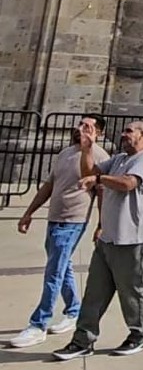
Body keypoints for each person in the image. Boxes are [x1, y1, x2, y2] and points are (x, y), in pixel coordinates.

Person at [52, 121, 143, 361]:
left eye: (129, 131)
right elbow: (89, 173)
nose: (124, 134)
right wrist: (88, 148)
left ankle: (139, 334)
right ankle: (82, 340)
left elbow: (128, 184)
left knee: (132, 291)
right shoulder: (119, 159)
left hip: (134, 239)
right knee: (94, 293)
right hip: (108, 238)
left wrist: (99, 180)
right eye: (123, 130)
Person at [10, 115, 111, 348]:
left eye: (88, 127)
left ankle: (38, 324)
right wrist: (29, 212)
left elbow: (102, 193)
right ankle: (74, 310)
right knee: (61, 265)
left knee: (53, 271)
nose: (81, 129)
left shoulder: (100, 157)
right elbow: (49, 185)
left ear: (99, 134)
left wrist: (101, 224)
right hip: (54, 218)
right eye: (80, 125)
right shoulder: (65, 153)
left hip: (72, 221)